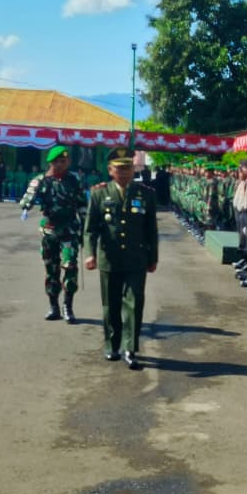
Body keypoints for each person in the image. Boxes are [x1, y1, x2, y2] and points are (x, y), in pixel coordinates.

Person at [84, 151, 158, 369]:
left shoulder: (146, 194)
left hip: (136, 259)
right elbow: (90, 229)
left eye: (128, 168)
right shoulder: (99, 194)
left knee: (134, 304)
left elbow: (151, 229)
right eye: (119, 168)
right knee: (111, 305)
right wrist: (90, 254)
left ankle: (130, 348)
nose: (124, 173)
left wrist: (153, 257)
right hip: (110, 259)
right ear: (110, 170)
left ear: (133, 170)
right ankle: (112, 345)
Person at [20, 145, 87, 322]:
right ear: (50, 162)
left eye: (63, 161)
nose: (60, 165)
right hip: (49, 230)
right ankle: (53, 306)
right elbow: (28, 196)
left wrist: (85, 229)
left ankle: (68, 306)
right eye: (56, 162)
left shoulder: (74, 180)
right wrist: (26, 207)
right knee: (51, 269)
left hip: (69, 230)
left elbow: (82, 205)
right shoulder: (41, 180)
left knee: (70, 266)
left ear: (68, 162)